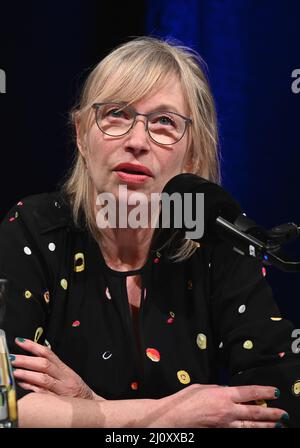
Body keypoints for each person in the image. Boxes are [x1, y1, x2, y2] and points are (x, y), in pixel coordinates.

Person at [0, 36, 300, 428]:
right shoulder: (34, 228)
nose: (137, 141)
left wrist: (90, 405)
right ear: (80, 135)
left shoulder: (213, 238)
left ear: (191, 153)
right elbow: (8, 406)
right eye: (116, 115)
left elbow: (279, 399)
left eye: (164, 122)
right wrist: (174, 417)